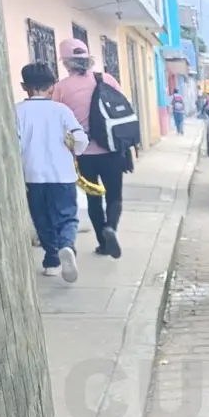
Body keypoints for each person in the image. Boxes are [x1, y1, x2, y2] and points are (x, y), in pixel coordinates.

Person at [52, 39, 124, 259]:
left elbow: (58, 121)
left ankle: (103, 244)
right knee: (114, 195)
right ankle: (111, 226)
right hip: (111, 150)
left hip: (83, 153)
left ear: (65, 62)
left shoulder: (60, 88)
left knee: (94, 198)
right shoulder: (107, 79)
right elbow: (121, 111)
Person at [16, 62, 87, 282]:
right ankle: (66, 244)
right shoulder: (61, 110)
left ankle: (52, 260)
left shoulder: (16, 111)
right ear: (52, 87)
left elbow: (14, 145)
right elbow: (80, 140)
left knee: (41, 218)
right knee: (67, 217)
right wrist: (74, 149)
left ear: (24, 86)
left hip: (32, 176)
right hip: (62, 174)